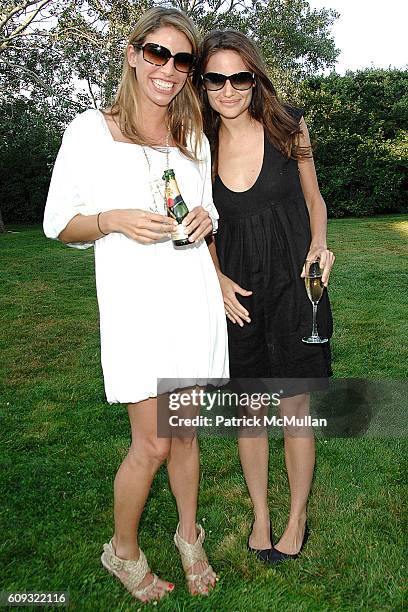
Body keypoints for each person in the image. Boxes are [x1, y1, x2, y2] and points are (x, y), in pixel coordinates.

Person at [43, 7, 229, 602]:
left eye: (182, 61)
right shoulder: (88, 130)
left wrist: (206, 216)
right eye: (157, 54)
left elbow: (205, 208)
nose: (169, 70)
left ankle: (188, 536)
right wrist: (110, 220)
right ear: (132, 53)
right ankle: (121, 552)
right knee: (151, 442)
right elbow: (57, 223)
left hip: (191, 296)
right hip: (137, 306)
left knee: (187, 433)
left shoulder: (194, 135)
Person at [196, 30, 335, 564]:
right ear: (202, 83)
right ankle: (262, 515)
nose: (228, 90)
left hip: (297, 285)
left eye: (239, 77)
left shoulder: (287, 125)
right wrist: (216, 278)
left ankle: (297, 517)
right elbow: (198, 225)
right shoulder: (197, 145)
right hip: (241, 293)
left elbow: (314, 198)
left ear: (254, 77)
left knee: (294, 404)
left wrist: (320, 243)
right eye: (215, 79)